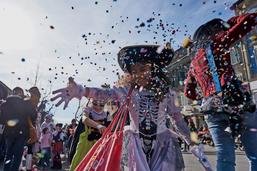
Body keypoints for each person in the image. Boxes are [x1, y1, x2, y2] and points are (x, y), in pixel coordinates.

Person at [52, 44, 192, 171]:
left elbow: (178, 120)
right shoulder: (127, 91)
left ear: (153, 69)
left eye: (143, 69)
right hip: (136, 146)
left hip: (163, 145)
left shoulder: (167, 93)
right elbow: (105, 94)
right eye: (134, 71)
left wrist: (191, 141)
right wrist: (82, 91)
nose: (138, 74)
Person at [184, 13, 257, 171]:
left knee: (225, 157)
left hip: (212, 109)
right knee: (255, 154)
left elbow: (188, 92)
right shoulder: (218, 41)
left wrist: (205, 92)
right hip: (237, 102)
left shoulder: (194, 62)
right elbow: (249, 19)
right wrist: (229, 23)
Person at [0, 87, 36, 171]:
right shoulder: (25, 103)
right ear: (21, 93)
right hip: (22, 133)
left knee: (8, 154)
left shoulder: (4, 104)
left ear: (13, 92)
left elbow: (1, 119)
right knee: (17, 156)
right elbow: (33, 116)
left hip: (8, 133)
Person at [70, 99, 110, 171]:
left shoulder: (107, 114)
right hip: (87, 143)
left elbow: (111, 126)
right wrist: (98, 126)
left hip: (101, 144)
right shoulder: (88, 110)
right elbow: (85, 119)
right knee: (82, 162)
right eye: (95, 104)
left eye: (101, 105)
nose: (98, 107)